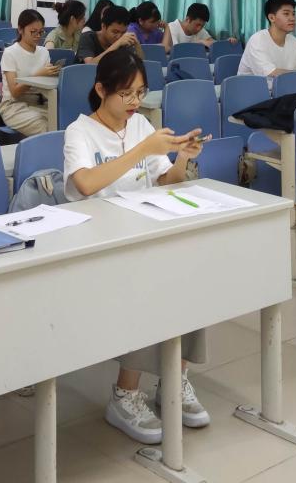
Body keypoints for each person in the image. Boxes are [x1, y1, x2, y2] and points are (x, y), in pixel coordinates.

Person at [63, 48, 208, 443]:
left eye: (140, 93)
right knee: (149, 280)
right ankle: (124, 394)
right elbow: (85, 184)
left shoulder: (141, 124)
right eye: (125, 93)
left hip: (143, 229)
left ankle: (175, 377)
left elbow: (165, 182)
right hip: (98, 240)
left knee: (190, 271)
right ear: (101, 90)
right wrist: (142, 150)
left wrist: (180, 159)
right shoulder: (80, 131)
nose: (134, 102)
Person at [0, 9, 59, 136]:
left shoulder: (44, 52)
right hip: (13, 106)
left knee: (62, 121)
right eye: (33, 32)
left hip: (40, 102)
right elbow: (14, 92)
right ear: (20, 29)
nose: (38, 36)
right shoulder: (10, 53)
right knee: (47, 127)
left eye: (41, 32)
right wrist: (38, 75)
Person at [238, 0, 296, 80]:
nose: (292, 18)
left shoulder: (293, 40)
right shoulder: (257, 40)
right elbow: (272, 73)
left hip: (284, 86)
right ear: (272, 18)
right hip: (251, 87)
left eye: (293, 14)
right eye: (286, 14)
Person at [76, 5, 141, 64]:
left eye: (123, 32)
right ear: (103, 26)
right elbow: (89, 65)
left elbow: (140, 66)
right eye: (115, 32)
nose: (119, 36)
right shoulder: (88, 37)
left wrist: (137, 45)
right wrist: (117, 44)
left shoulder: (124, 41)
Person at [163, 2, 237, 52]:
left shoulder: (200, 30)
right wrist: (199, 42)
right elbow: (168, 49)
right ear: (188, 19)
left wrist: (227, 42)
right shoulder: (172, 27)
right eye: (197, 25)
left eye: (202, 26)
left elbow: (214, 44)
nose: (199, 29)